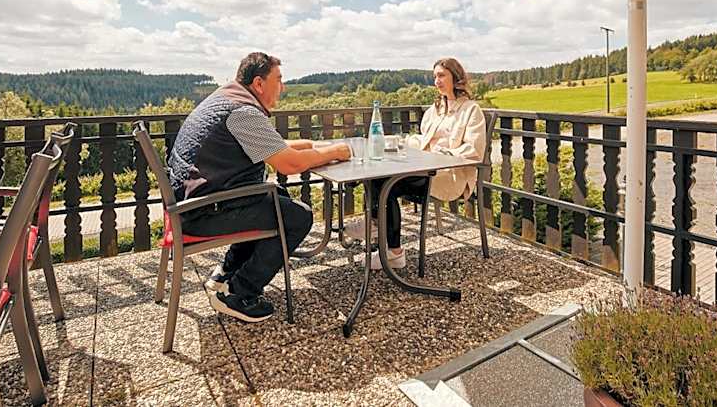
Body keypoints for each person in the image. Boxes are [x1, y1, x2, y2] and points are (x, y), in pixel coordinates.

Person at [167, 52, 350, 322]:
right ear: (259, 83)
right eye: (279, 79)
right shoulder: (242, 114)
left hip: (190, 203)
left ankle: (226, 274)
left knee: (276, 197)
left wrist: (314, 146)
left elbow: (276, 148)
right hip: (202, 213)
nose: (283, 87)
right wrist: (336, 151)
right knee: (297, 216)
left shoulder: (226, 99)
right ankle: (239, 293)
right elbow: (288, 164)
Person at [345, 57, 487, 269]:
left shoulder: (471, 110)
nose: (437, 81)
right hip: (424, 170)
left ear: (455, 78)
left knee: (387, 184)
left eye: (441, 76)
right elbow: (423, 141)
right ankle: (378, 227)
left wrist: (441, 154)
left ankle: (387, 244)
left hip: (448, 174)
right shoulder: (434, 110)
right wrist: (404, 142)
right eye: (434, 77)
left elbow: (474, 150)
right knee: (377, 176)